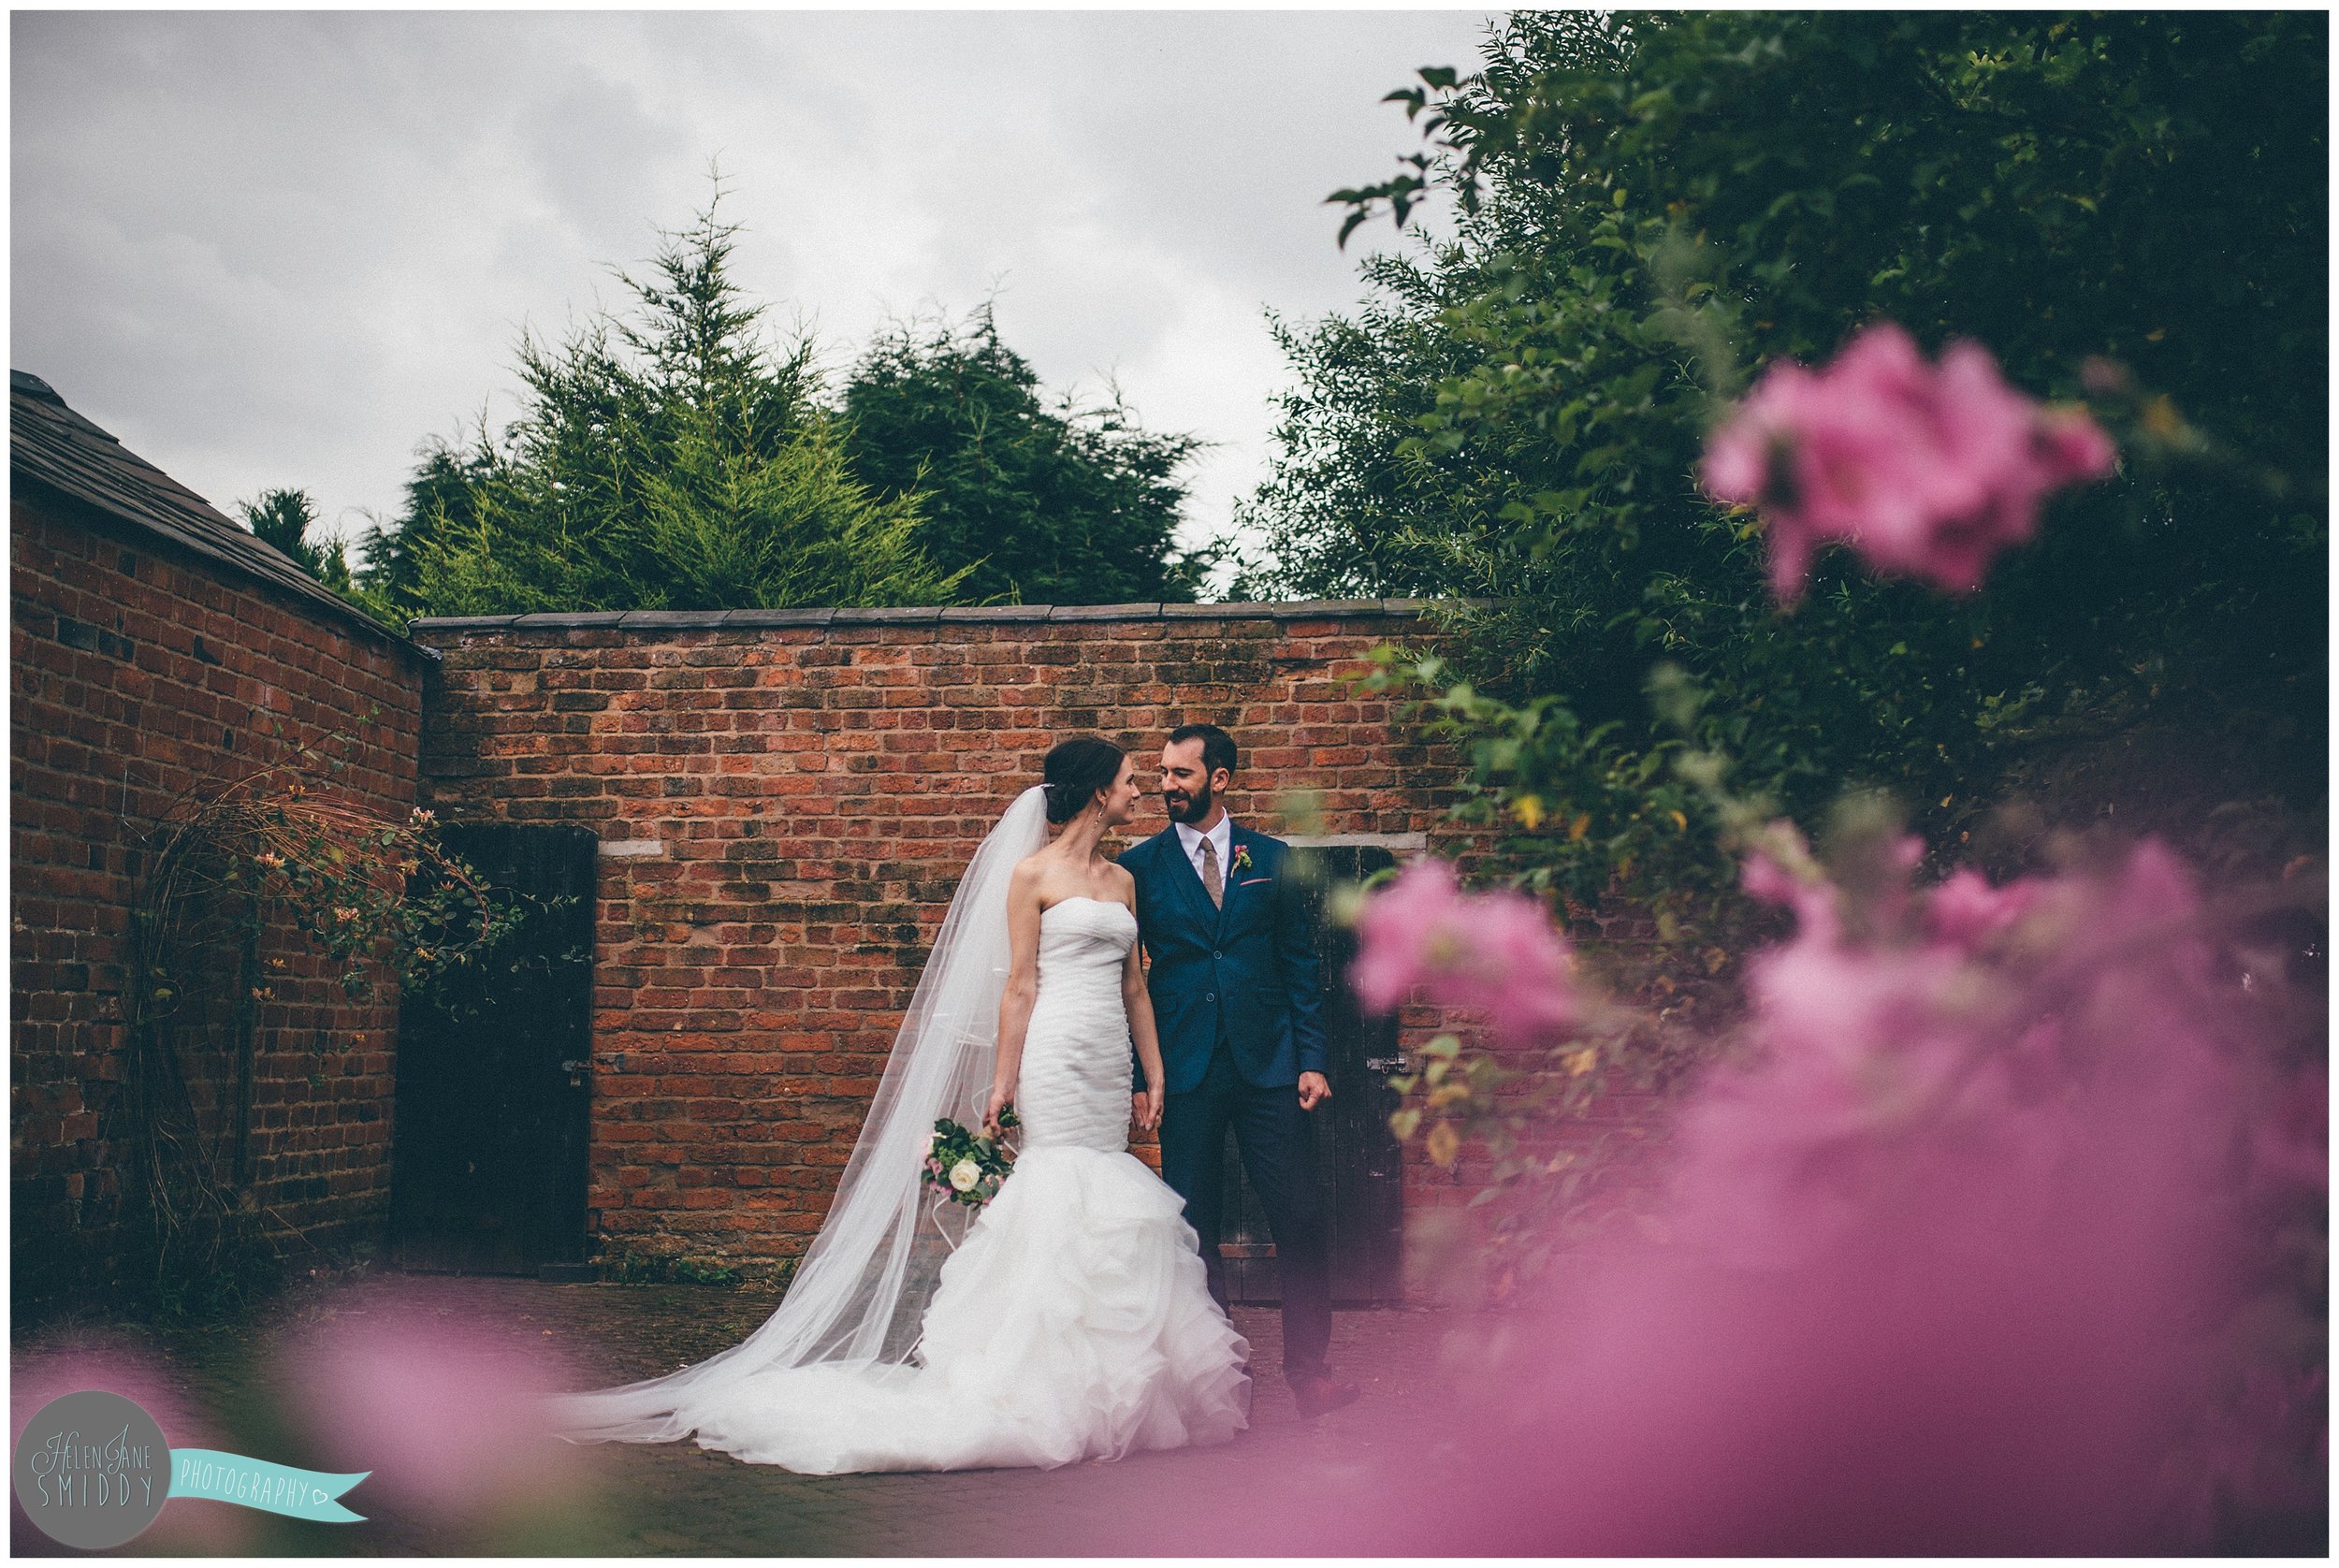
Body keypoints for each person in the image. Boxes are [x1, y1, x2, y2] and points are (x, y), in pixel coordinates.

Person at [552, 737, 1249, 1473]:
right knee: (1057, 1185)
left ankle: (1115, 1376)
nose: (1139, 791)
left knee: (1105, 1184)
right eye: (1130, 781)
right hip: (1052, 1052)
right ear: (1096, 791)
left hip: (1109, 1056)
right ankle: (1036, 1377)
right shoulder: (1031, 875)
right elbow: (1019, 987)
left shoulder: (1121, 880)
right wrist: (1005, 1083)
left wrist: (1156, 1072)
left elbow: (1135, 986)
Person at [1119, 722, 1362, 1418]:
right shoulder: (1139, 866)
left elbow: (1299, 966)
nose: (1167, 786)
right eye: (1162, 774)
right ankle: (1221, 1378)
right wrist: (1144, 1074)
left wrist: (1311, 1060)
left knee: (1302, 1219)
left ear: (1218, 779)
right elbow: (1130, 982)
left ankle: (1309, 1372)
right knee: (1194, 1229)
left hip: (1269, 1070)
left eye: (1181, 775)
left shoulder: (1273, 860)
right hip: (1187, 1071)